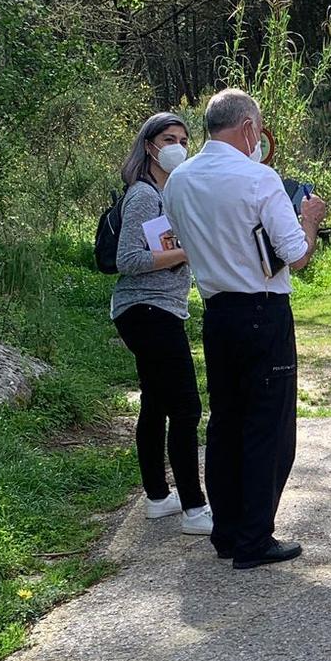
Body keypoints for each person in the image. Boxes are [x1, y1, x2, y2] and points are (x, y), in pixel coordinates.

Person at [161, 88, 327, 568]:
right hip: (263, 308)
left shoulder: (179, 180)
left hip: (217, 311)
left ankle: (228, 531)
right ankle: (255, 537)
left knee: (227, 421)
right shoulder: (261, 178)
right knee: (268, 426)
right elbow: (296, 254)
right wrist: (310, 220)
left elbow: (178, 234)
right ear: (249, 127)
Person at [111, 111, 212, 536]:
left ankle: (158, 498)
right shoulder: (144, 196)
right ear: (150, 146)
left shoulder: (165, 193)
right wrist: (186, 250)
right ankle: (194, 507)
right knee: (186, 407)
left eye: (184, 139)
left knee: (156, 404)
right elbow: (129, 259)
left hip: (156, 310)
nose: (178, 146)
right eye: (169, 138)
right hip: (147, 311)